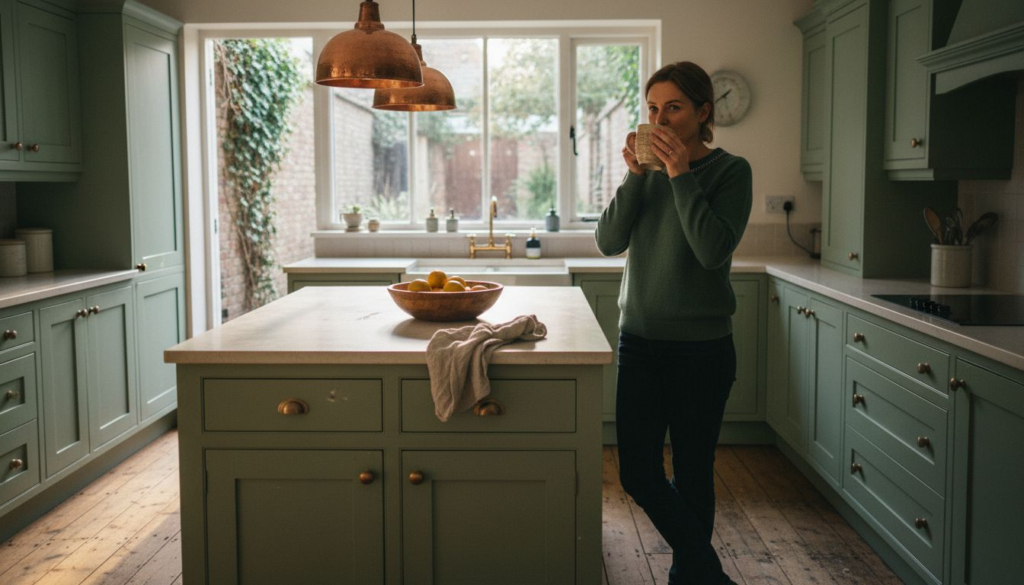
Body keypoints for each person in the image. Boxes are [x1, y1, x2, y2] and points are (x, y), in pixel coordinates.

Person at [595, 61, 752, 585]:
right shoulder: (645, 175)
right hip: (639, 341)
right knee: (638, 472)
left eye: (673, 107)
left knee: (692, 473)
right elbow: (608, 241)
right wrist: (636, 175)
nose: (659, 118)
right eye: (653, 108)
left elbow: (711, 251)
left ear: (703, 112)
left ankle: (689, 577)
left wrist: (681, 174)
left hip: (702, 350)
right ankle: (708, 572)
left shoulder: (731, 172)